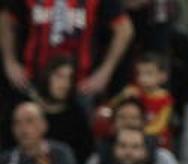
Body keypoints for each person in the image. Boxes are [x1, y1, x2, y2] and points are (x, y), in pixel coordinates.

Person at [0, 0, 134, 100]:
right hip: (32, 81)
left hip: (80, 85)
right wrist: (9, 62)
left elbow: (124, 29)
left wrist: (104, 73)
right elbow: (6, 20)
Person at [80, 96, 188, 164]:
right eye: (122, 117)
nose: (128, 122)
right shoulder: (98, 158)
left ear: (144, 123)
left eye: (134, 118)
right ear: (113, 123)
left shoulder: (162, 157)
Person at [31, 55, 93, 164]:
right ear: (47, 76)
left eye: (69, 78)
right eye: (59, 76)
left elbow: (85, 153)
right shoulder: (27, 109)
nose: (65, 83)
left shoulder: (77, 115)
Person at [106, 50, 173, 148]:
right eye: (139, 74)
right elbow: (110, 107)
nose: (142, 78)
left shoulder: (166, 99)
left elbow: (160, 125)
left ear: (163, 76)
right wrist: (122, 96)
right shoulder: (134, 91)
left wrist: (140, 131)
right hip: (130, 136)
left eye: (148, 74)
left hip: (156, 140)